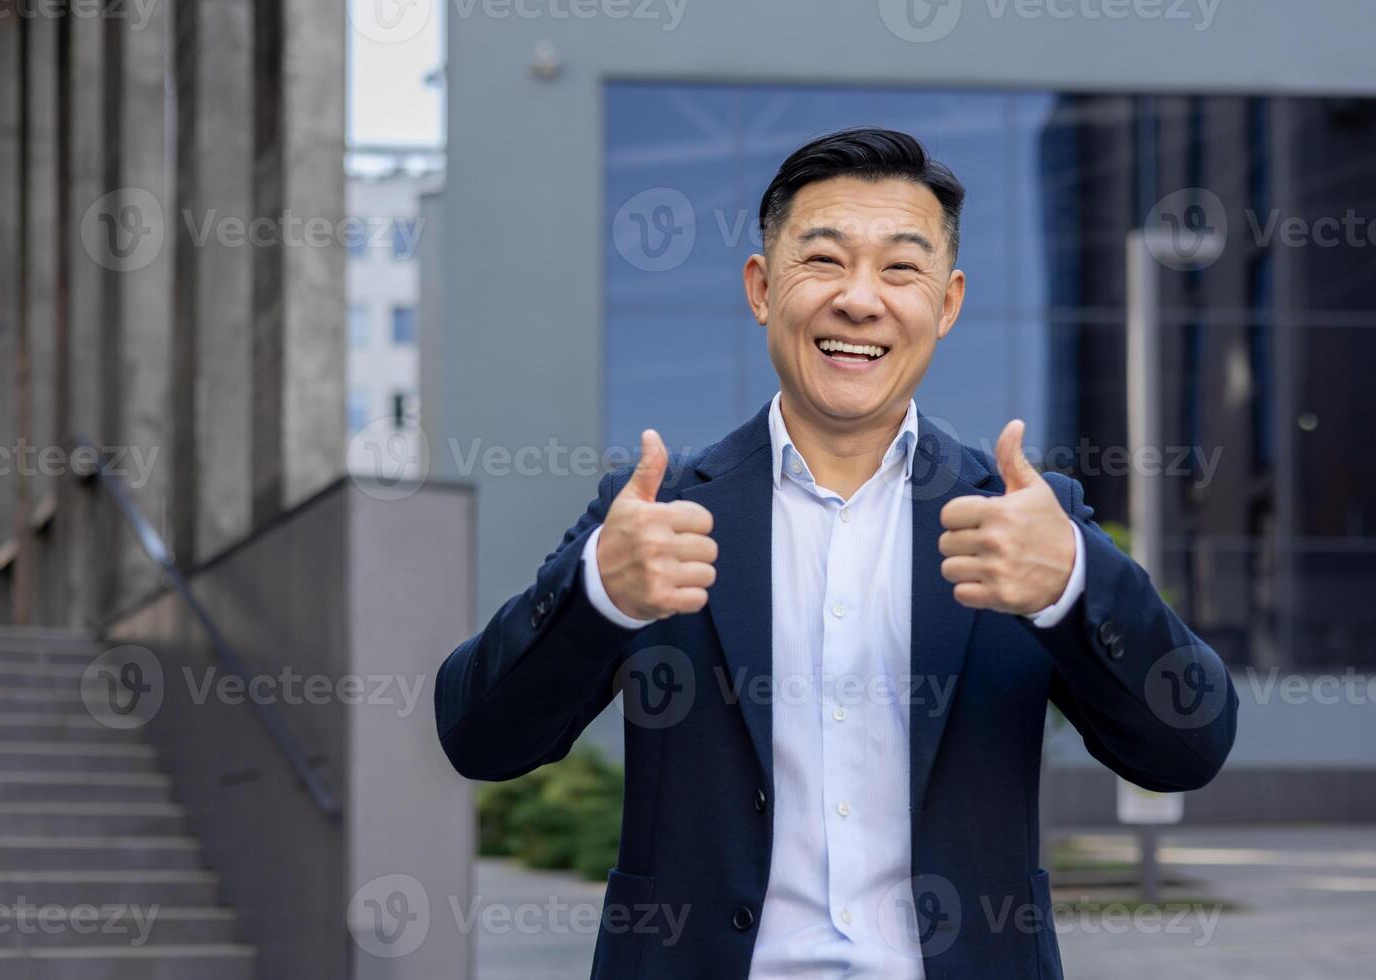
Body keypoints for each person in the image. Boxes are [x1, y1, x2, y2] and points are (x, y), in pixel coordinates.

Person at [435, 127, 1238, 979]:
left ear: (949, 302)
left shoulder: (1022, 521)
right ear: (761, 286)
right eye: (823, 261)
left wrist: (1075, 584)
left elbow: (1187, 748)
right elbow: (479, 738)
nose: (860, 301)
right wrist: (597, 591)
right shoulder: (655, 514)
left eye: (901, 269)